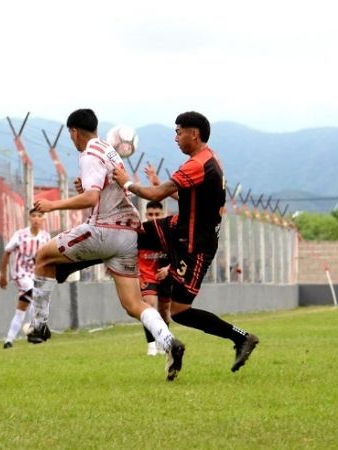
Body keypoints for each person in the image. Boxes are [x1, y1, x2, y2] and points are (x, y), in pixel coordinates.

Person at [27, 108, 185, 381]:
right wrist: (88, 189)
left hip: (103, 230)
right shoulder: (108, 150)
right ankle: (169, 342)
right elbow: (104, 189)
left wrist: (52, 205)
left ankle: (40, 326)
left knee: (42, 257)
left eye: (70, 135)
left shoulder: (88, 154)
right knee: (133, 304)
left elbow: (91, 199)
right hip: (128, 235)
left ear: (74, 132)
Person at [113, 111, 259, 374]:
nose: (176, 138)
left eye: (179, 132)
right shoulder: (211, 158)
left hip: (194, 246)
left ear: (194, 134)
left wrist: (128, 183)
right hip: (177, 228)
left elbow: (156, 194)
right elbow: (193, 199)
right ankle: (74, 265)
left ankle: (241, 337)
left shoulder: (197, 164)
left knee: (180, 311)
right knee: (129, 234)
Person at [0, 207, 51, 349]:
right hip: (20, 274)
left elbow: (48, 258)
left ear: (43, 219)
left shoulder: (46, 237)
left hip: (37, 276)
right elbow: (7, 253)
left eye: (40, 216)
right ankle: (34, 330)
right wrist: (3, 274)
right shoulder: (20, 235)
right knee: (35, 295)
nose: (36, 219)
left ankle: (8, 341)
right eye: (34, 215)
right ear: (29, 218)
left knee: (21, 308)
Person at [138, 200, 171, 356]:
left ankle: (163, 341)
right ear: (146, 215)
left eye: (157, 214)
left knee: (164, 311)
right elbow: (129, 255)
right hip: (146, 275)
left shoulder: (170, 231)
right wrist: (137, 275)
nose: (154, 217)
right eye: (150, 215)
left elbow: (180, 253)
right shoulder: (140, 232)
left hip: (165, 275)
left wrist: (169, 268)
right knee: (149, 306)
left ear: (163, 215)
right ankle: (151, 345)